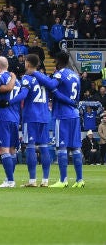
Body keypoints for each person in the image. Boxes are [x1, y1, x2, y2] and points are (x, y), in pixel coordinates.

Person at [19, 53, 57, 186]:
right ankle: (45, 180)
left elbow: (23, 95)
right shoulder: (44, 78)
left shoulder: (27, 78)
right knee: (44, 146)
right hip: (44, 116)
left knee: (30, 146)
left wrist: (10, 101)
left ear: (28, 64)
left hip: (31, 117)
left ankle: (32, 180)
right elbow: (52, 86)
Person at [49, 51, 85, 188]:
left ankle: (63, 180)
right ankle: (79, 180)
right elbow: (75, 98)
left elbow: (51, 86)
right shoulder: (75, 76)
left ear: (58, 61)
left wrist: (54, 91)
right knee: (76, 148)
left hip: (62, 115)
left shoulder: (60, 74)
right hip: (74, 114)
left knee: (62, 147)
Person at [0, 56, 22, 188]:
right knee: (12, 150)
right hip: (15, 117)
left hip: (2, 116)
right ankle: (10, 179)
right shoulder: (17, 82)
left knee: (4, 150)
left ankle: (10, 180)